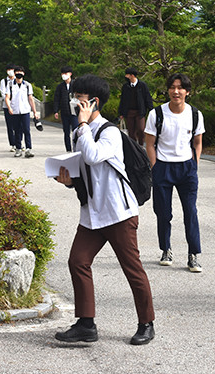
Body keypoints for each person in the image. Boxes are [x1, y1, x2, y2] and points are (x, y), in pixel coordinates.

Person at [54, 74, 155, 346]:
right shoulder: (81, 131)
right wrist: (68, 180)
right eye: (74, 97)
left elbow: (94, 155)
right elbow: (85, 168)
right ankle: (86, 324)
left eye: (80, 98)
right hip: (92, 213)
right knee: (78, 261)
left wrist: (84, 125)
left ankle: (146, 323)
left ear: (94, 102)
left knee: (131, 268)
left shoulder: (109, 132)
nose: (75, 102)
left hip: (118, 213)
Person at [144, 73, 205, 273]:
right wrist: (155, 166)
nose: (176, 91)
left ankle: (193, 255)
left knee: (191, 211)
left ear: (187, 91)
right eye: (172, 87)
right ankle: (166, 249)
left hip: (187, 168)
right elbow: (150, 143)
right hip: (163, 167)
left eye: (180, 87)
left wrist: (194, 164)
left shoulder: (195, 114)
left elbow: (197, 142)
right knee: (163, 212)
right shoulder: (156, 114)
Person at [5, 66, 39, 158]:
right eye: (17, 72)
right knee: (17, 131)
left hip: (25, 111)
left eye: (21, 72)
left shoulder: (27, 85)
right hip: (15, 111)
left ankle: (28, 149)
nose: (19, 74)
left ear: (23, 74)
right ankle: (18, 149)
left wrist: (34, 111)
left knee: (27, 130)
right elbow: (7, 97)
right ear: (15, 73)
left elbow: (31, 99)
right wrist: (9, 107)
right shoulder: (10, 85)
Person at [118, 67, 153, 145]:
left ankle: (141, 145)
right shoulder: (125, 86)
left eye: (127, 75)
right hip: (129, 112)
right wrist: (121, 113)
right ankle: (133, 148)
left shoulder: (142, 85)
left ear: (132, 75)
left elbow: (147, 98)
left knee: (141, 129)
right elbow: (123, 100)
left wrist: (151, 110)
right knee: (131, 131)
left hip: (140, 112)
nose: (126, 76)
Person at [53, 65, 78, 152]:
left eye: (65, 73)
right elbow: (56, 99)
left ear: (70, 74)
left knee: (76, 131)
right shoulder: (60, 87)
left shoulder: (75, 85)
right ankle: (68, 149)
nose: (64, 75)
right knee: (66, 132)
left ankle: (76, 148)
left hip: (74, 112)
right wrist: (56, 110)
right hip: (64, 112)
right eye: (62, 73)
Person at [0, 64, 18, 152]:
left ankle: (19, 143)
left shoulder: (18, 80)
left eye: (12, 69)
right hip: (7, 106)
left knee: (18, 126)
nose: (10, 71)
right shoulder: (3, 81)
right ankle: (13, 144)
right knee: (10, 126)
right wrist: (9, 102)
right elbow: (3, 93)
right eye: (8, 69)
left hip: (17, 106)